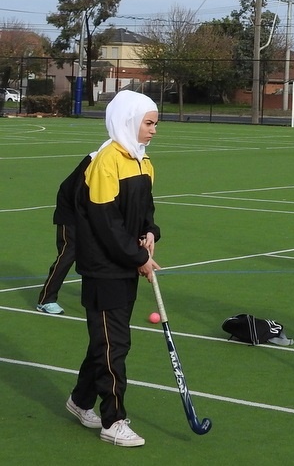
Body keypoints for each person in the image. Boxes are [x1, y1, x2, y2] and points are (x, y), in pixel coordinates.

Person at [66, 90, 161, 447]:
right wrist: (138, 259)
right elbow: (106, 223)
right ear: (127, 121)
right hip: (103, 268)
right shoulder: (106, 161)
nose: (153, 130)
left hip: (125, 265)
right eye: (148, 123)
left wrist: (150, 234)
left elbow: (144, 212)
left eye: (154, 124)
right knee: (114, 345)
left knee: (105, 343)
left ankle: (79, 400)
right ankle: (114, 420)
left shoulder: (142, 161)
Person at [36, 142, 112, 314]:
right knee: (68, 253)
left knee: (95, 253)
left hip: (89, 213)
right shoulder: (94, 161)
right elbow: (79, 195)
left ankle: (95, 294)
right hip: (70, 213)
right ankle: (45, 299)